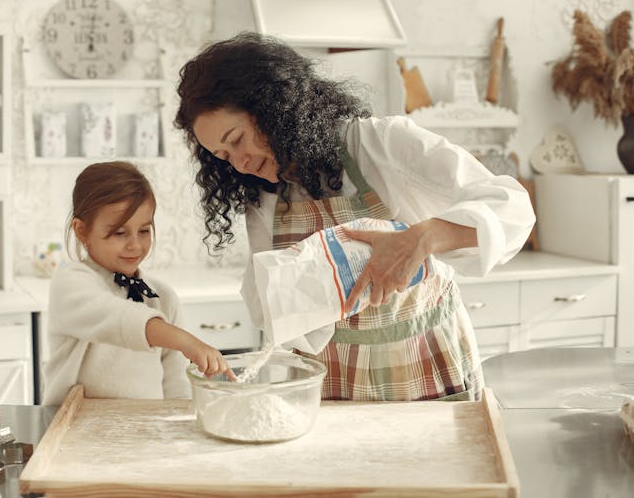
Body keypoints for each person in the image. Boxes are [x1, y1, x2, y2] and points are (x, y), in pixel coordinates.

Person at [174, 32, 536, 402]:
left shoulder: (380, 143)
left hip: (425, 364)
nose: (239, 163)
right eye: (222, 156)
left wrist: (422, 238)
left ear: (272, 106)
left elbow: (512, 206)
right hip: (334, 381)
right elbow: (285, 307)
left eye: (236, 140)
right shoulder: (264, 197)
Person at [42, 161, 234, 405]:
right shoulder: (70, 283)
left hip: (142, 430)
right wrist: (188, 342)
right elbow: (118, 318)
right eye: (119, 233)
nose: (135, 245)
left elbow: (175, 385)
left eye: (144, 230)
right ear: (81, 231)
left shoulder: (162, 296)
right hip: (73, 427)